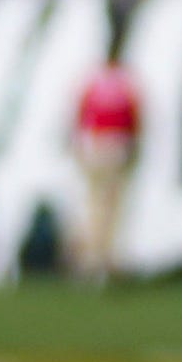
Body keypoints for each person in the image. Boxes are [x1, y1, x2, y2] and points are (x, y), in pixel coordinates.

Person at [69, 48, 142, 284]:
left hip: (94, 144)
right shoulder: (124, 83)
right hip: (114, 145)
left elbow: (80, 116)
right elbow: (135, 118)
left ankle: (91, 258)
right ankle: (100, 259)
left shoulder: (94, 82)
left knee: (95, 204)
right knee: (109, 207)